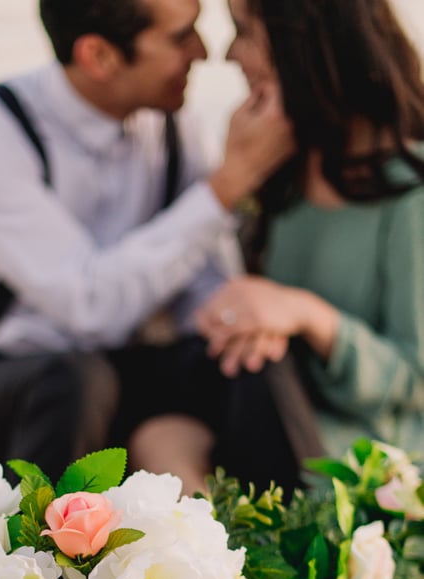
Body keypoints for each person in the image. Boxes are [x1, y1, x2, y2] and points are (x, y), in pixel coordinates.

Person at [0, 0, 294, 483]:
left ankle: (300, 537)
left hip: (124, 366)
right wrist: (226, 187)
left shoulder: (173, 122)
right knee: (74, 380)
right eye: (181, 37)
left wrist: (238, 319)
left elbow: (199, 281)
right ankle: (39, 554)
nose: (203, 52)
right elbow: (89, 308)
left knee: (253, 357)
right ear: (99, 56)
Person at [133, 0, 424, 495]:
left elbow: (415, 382)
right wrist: (237, 174)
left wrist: (307, 316)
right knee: (157, 438)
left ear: (307, 43)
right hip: (256, 413)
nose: (229, 55)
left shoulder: (410, 190)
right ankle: (223, 554)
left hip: (358, 468)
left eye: (244, 32)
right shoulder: (279, 179)